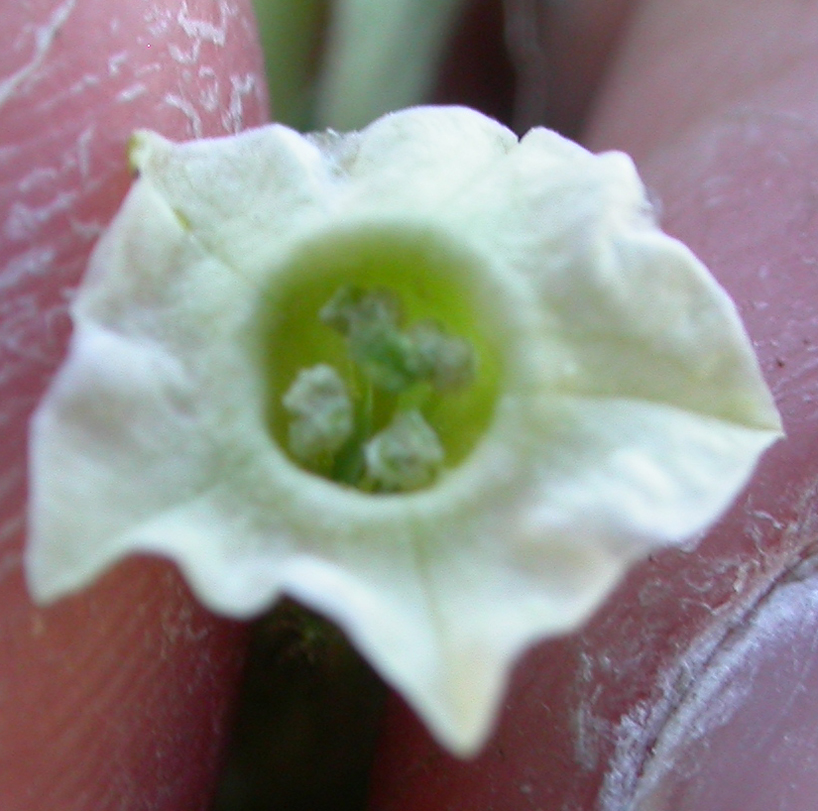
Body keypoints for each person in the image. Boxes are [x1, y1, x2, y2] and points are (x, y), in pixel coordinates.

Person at [3, 1, 818, 810]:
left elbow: (676, 389)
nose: (387, 374)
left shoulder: (605, 356)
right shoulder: (217, 234)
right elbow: (195, 215)